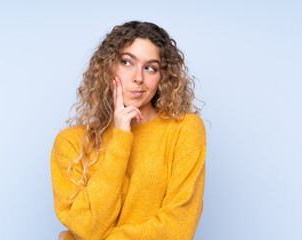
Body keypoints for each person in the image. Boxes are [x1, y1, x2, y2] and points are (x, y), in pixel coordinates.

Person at [50, 20, 206, 240]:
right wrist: (121, 137)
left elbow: (178, 227)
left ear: (162, 77)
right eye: (127, 62)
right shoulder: (72, 142)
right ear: (107, 67)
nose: (138, 78)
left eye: (150, 68)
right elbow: (88, 228)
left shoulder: (184, 129)